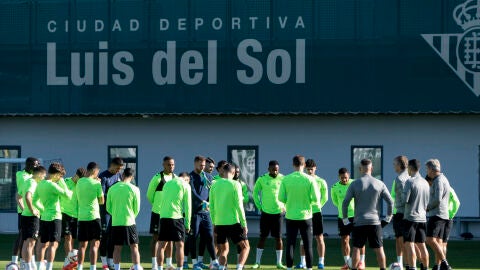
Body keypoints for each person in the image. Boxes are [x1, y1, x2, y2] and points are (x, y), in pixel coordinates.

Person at [342, 159, 393, 270]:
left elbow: (345, 202)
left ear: (360, 169)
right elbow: (390, 202)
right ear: (371, 169)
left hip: (359, 222)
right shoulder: (379, 183)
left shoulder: (355, 184)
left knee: (356, 248)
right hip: (375, 221)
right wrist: (388, 218)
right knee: (379, 248)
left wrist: (345, 221)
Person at [278, 155, 320, 270]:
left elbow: (281, 198)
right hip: (306, 216)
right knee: (308, 246)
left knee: (290, 244)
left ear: (293, 165)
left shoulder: (286, 179)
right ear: (304, 165)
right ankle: (309, 268)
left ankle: (289, 268)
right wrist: (307, 201)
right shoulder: (310, 179)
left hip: (291, 216)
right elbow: (316, 198)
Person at [210, 163, 250, 270]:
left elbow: (212, 206)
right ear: (233, 173)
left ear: (222, 172)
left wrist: (214, 223)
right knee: (246, 248)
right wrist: (244, 224)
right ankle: (239, 267)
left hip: (219, 223)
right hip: (233, 222)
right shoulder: (236, 184)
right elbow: (239, 206)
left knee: (224, 250)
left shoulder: (214, 184)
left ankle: (221, 268)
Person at [35, 163, 73, 270]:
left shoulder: (40, 184)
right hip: (55, 217)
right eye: (60, 176)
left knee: (43, 244)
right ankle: (49, 268)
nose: (60, 178)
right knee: (53, 245)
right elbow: (68, 195)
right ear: (56, 174)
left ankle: (39, 267)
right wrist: (62, 182)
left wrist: (43, 210)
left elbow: (34, 201)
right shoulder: (53, 185)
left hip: (44, 217)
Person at [251, 160, 285, 269]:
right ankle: (257, 262)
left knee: (278, 238)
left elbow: (288, 193)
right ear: (268, 169)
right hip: (265, 213)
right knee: (262, 237)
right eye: (273, 169)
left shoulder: (283, 179)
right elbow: (255, 192)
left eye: (277, 170)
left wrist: (285, 206)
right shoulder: (262, 179)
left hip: (278, 213)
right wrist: (259, 206)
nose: (275, 172)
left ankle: (279, 263)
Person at [106, 168, 141, 270]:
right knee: (134, 247)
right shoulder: (135, 189)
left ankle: (117, 268)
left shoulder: (112, 188)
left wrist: (116, 214)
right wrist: (130, 216)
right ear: (132, 177)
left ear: (122, 175)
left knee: (117, 248)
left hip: (116, 222)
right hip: (130, 222)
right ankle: (137, 267)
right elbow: (137, 209)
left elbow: (108, 207)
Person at [331, 168, 365, 270]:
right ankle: (347, 263)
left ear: (349, 176)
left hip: (356, 216)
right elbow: (335, 202)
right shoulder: (334, 187)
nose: (344, 180)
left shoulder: (355, 184)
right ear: (339, 177)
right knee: (345, 240)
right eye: (342, 178)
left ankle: (361, 263)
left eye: (346, 178)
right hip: (343, 217)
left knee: (359, 239)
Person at [297, 159, 328, 269]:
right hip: (305, 213)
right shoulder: (303, 180)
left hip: (316, 213)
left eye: (312, 169)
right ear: (305, 169)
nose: (310, 171)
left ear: (315, 168)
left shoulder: (321, 181)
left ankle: (321, 262)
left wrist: (318, 206)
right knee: (303, 238)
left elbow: (325, 197)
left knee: (319, 237)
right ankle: (302, 262)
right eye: (308, 169)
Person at [157, 171, 192, 270]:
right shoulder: (185, 185)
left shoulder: (167, 184)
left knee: (161, 245)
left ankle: (159, 268)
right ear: (186, 179)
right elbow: (188, 207)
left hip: (163, 217)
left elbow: (162, 201)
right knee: (180, 245)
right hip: (177, 218)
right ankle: (179, 268)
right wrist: (188, 225)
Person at [188, 156, 218, 270]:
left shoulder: (208, 177)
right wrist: (203, 201)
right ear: (195, 164)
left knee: (209, 237)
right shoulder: (190, 177)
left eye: (204, 165)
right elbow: (193, 192)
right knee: (193, 237)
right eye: (201, 165)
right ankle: (195, 263)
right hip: (195, 213)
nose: (202, 167)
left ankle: (215, 262)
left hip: (206, 213)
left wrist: (209, 203)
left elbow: (212, 192)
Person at [146, 156, 176, 270]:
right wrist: (157, 205)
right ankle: (154, 264)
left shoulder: (175, 178)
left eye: (173, 164)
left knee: (170, 239)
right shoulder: (157, 178)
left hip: (170, 214)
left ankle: (169, 264)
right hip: (158, 213)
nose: (171, 166)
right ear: (163, 165)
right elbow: (149, 195)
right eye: (169, 164)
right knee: (156, 238)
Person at [402, 159, 430, 270]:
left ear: (410, 167)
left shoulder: (410, 182)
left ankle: (412, 267)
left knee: (410, 244)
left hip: (410, 218)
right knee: (422, 245)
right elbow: (427, 202)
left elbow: (405, 199)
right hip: (422, 219)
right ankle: (425, 267)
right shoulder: (425, 182)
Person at [76, 162, 105, 270]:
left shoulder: (79, 182)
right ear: (95, 171)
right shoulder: (96, 183)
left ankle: (80, 267)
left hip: (82, 217)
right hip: (93, 216)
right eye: (98, 171)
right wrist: (99, 184)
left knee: (82, 245)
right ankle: (92, 268)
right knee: (95, 244)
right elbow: (102, 201)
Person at [425, 159, 452, 270]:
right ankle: (438, 265)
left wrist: (427, 207)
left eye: (427, 169)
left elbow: (437, 199)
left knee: (429, 239)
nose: (426, 172)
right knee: (439, 242)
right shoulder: (443, 178)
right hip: (443, 214)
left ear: (431, 169)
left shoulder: (438, 181)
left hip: (437, 214)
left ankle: (445, 263)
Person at [13, 157, 40, 265]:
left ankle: (26, 261)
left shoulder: (34, 176)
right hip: (24, 210)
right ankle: (14, 262)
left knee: (32, 238)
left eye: (38, 164)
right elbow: (20, 195)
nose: (37, 166)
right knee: (22, 236)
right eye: (35, 165)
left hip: (34, 211)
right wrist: (25, 209)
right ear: (28, 165)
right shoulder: (22, 175)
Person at [98, 158, 124, 270]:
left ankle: (110, 260)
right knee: (105, 236)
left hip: (116, 211)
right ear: (112, 165)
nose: (119, 171)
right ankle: (104, 263)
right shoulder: (103, 176)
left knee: (113, 236)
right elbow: (101, 196)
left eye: (120, 169)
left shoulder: (119, 176)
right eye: (118, 168)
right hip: (105, 212)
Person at [20, 166, 46, 270]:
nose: (44, 178)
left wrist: (24, 208)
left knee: (26, 242)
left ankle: (24, 266)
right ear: (39, 174)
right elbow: (27, 196)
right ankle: (29, 267)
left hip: (25, 215)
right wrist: (32, 210)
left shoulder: (26, 181)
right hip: (31, 217)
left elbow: (18, 196)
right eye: (43, 176)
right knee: (31, 243)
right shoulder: (32, 183)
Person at [61, 168, 88, 267]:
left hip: (78, 215)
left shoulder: (81, 185)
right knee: (68, 237)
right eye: (80, 179)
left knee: (73, 239)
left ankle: (67, 262)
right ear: (76, 175)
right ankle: (70, 261)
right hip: (65, 213)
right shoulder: (65, 182)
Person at [390, 155, 409, 268]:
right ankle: (401, 263)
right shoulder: (404, 177)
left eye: (395, 164)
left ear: (400, 165)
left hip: (402, 213)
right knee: (398, 239)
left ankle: (408, 264)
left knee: (403, 241)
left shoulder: (400, 179)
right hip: (399, 213)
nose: (393, 166)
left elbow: (403, 199)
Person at [443, 187, 460, 256]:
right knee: (442, 242)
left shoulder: (448, 189)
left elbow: (457, 202)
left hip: (446, 217)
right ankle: (440, 263)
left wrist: (451, 214)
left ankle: (442, 262)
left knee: (442, 242)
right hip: (445, 216)